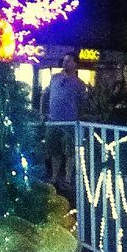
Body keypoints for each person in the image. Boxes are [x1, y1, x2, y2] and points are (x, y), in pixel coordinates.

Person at [42, 52, 89, 189]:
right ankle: (54, 177)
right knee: (54, 150)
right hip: (53, 120)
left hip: (70, 122)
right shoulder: (55, 78)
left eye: (69, 61)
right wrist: (42, 112)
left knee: (69, 151)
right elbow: (45, 95)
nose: (65, 63)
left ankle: (68, 178)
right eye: (64, 60)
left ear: (75, 64)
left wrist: (79, 118)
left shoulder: (79, 84)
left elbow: (83, 103)